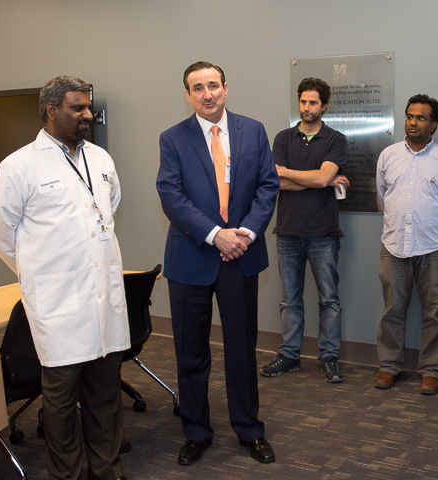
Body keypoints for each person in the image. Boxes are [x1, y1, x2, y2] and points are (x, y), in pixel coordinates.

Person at [0, 76, 129, 480]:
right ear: (51, 110)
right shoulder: (19, 166)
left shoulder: (100, 159)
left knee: (105, 398)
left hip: (104, 302)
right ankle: (66, 476)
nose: (88, 115)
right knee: (61, 405)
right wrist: (39, 272)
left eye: (88, 107)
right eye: (77, 108)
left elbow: (109, 208)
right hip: (58, 305)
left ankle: (107, 471)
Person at [156, 62, 279, 465]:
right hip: (191, 258)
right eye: (198, 88)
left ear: (226, 88)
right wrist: (215, 235)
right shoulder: (173, 138)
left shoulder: (253, 131)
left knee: (241, 349)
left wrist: (245, 234)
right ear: (187, 95)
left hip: (240, 256)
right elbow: (171, 195)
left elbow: (268, 186)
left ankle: (249, 430)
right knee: (191, 352)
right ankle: (196, 432)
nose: (207, 94)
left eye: (213, 85)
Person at [259, 78, 349, 383]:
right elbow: (276, 182)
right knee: (290, 300)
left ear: (324, 106)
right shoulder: (283, 138)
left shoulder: (335, 139)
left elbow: (321, 178)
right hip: (287, 231)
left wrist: (295, 174)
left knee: (329, 300)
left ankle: (329, 356)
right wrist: (318, 179)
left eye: (313, 103)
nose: (307, 107)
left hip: (323, 232)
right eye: (303, 102)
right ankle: (289, 355)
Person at [374, 94, 438, 395]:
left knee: (434, 312)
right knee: (392, 310)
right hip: (394, 246)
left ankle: (431, 370)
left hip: (433, 247)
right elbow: (383, 197)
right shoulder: (388, 156)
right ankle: (389, 366)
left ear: (433, 124)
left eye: (421, 118)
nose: (413, 122)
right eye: (410, 116)